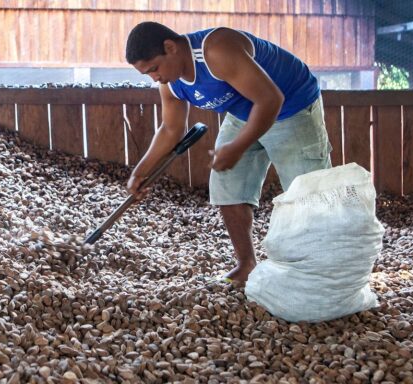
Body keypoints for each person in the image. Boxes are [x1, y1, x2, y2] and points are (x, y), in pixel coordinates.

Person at [124, 22, 331, 286]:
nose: (155, 78)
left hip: (291, 105)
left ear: (170, 47)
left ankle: (320, 273)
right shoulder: (170, 83)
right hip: (244, 110)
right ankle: (246, 265)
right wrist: (140, 173)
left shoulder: (216, 51)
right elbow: (170, 129)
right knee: (226, 183)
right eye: (147, 74)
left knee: (309, 193)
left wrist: (237, 147)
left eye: (154, 68)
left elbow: (270, 100)